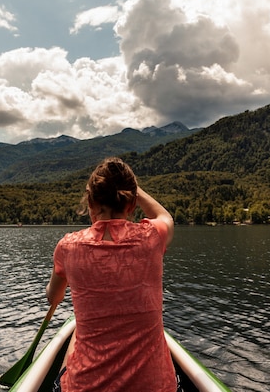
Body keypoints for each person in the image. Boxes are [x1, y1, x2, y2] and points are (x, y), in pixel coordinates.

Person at [46, 157, 178, 392]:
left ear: (90, 201)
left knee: (77, 334)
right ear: (132, 203)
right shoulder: (152, 237)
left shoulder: (67, 247)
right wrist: (133, 189)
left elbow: (53, 297)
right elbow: (165, 216)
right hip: (155, 386)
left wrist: (57, 293)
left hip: (86, 387)